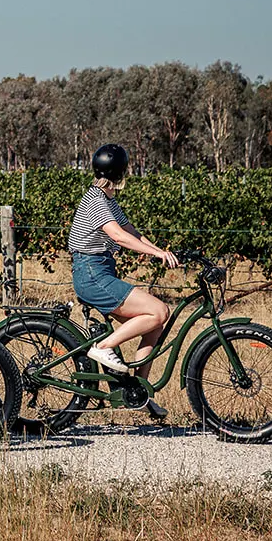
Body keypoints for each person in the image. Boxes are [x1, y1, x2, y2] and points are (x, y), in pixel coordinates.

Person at [68, 143, 179, 417]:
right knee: (160, 310)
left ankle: (140, 392)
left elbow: (132, 232)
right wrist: (155, 252)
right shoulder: (96, 200)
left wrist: (159, 252)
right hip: (92, 273)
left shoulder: (107, 201)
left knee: (154, 325)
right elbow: (118, 236)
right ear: (121, 173)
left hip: (101, 271)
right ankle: (103, 347)